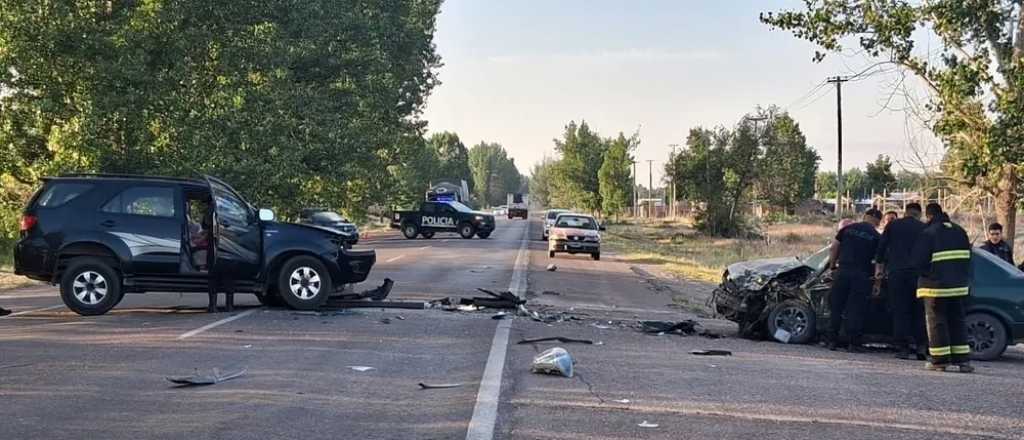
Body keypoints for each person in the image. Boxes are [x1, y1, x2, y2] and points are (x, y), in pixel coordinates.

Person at [911, 203, 973, 373]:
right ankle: (963, 361)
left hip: (935, 287)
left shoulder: (929, 233)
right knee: (957, 321)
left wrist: (926, 274)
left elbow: (918, 261)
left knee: (936, 322)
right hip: (958, 286)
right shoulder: (960, 231)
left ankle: (939, 361)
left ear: (929, 216)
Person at [875, 203, 927, 360]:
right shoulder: (924, 228)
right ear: (919, 214)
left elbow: (881, 248)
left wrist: (879, 268)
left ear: (905, 213)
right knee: (919, 312)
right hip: (918, 275)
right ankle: (921, 347)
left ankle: (902, 348)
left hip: (897, 274)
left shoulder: (893, 225)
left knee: (900, 311)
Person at [827, 208, 883, 352]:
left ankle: (832, 341)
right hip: (862, 275)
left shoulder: (847, 229)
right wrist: (877, 282)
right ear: (878, 222)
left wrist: (833, 266)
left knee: (836, 307)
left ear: (865, 216)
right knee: (855, 309)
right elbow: (879, 261)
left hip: (843, 271)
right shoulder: (876, 236)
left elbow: (834, 248)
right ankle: (853, 344)